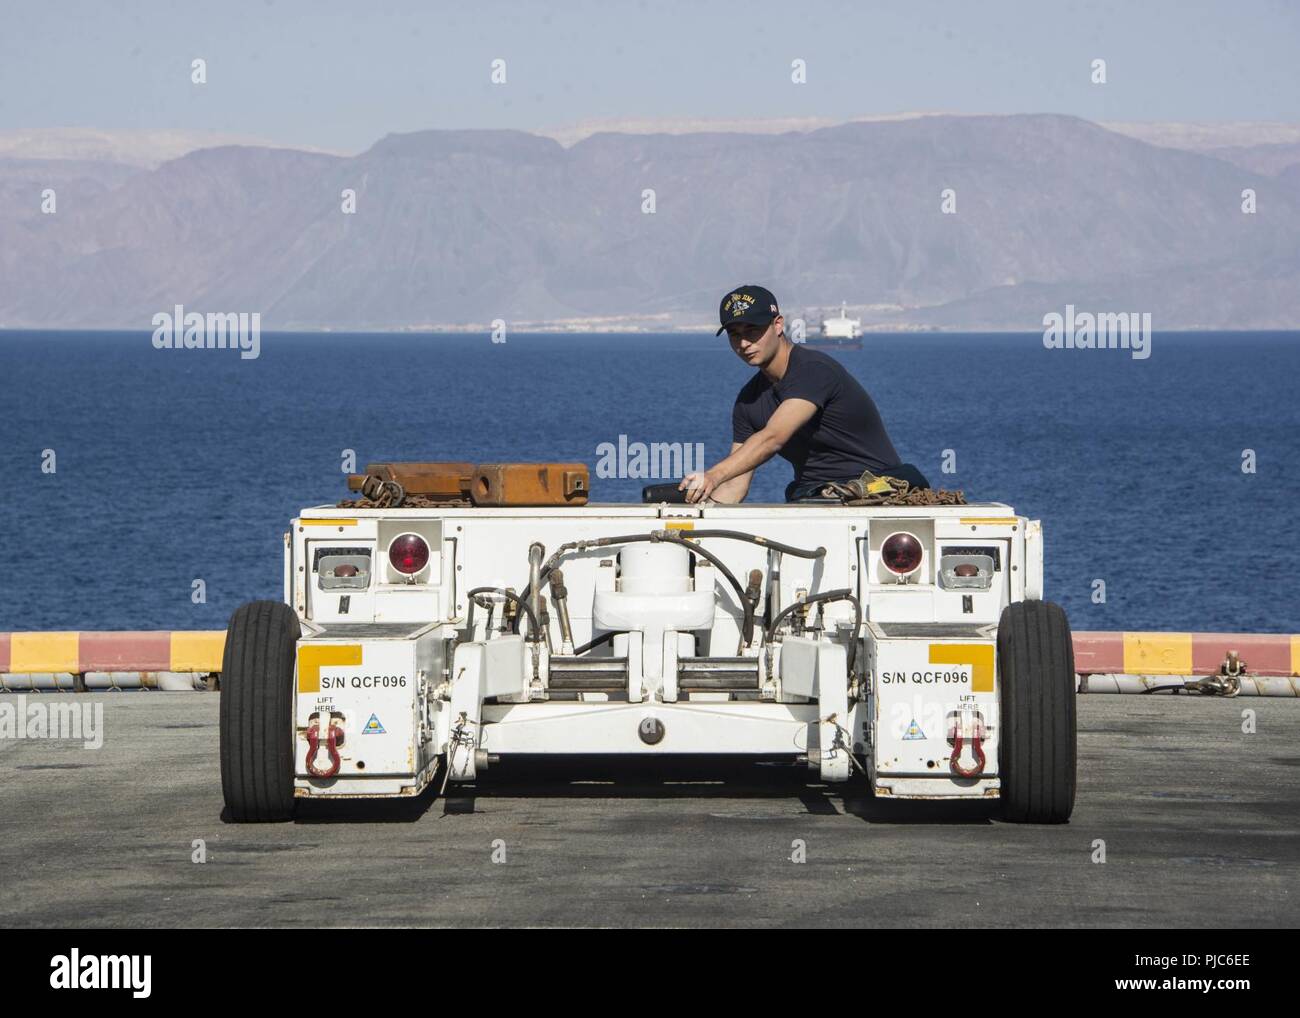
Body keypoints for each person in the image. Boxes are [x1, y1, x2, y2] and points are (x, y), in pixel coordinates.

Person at [680, 284, 929, 504]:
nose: (744, 343)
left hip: (876, 492)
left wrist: (712, 475)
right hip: (814, 499)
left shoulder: (813, 371)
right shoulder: (748, 401)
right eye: (735, 334)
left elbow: (773, 438)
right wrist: (696, 508)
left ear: (778, 325)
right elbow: (735, 484)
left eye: (752, 330)